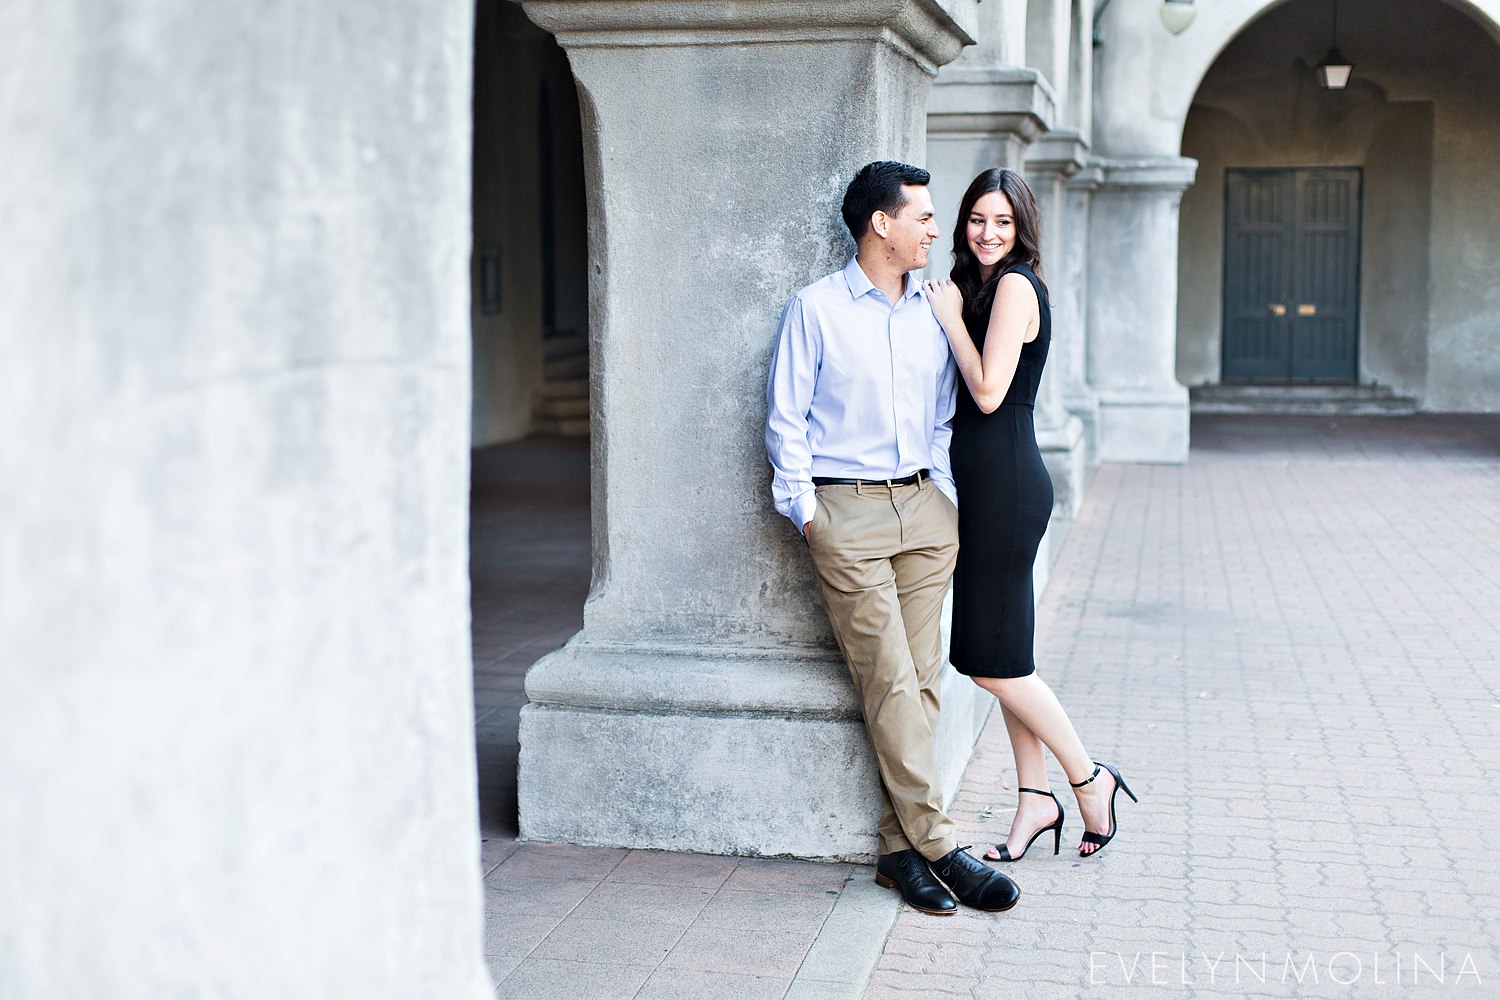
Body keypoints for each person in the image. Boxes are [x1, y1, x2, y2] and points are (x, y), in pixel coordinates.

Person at [765, 161, 1019, 915]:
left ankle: (898, 853)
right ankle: (943, 847)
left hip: (925, 512)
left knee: (922, 682)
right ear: (882, 223)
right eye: (925, 217)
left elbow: (945, 415)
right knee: (887, 679)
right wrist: (809, 514)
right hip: (846, 516)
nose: (938, 230)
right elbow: (786, 420)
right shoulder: (814, 309)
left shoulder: (933, 310)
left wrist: (941, 498)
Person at [923, 168, 1137, 861]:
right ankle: (1034, 803)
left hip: (1008, 487)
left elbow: (987, 392)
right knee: (1006, 656)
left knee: (991, 666)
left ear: (1022, 231)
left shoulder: (1013, 287)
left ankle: (1089, 776)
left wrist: (950, 319)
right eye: (978, 219)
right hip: (988, 485)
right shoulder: (984, 288)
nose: (988, 233)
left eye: (1003, 223)